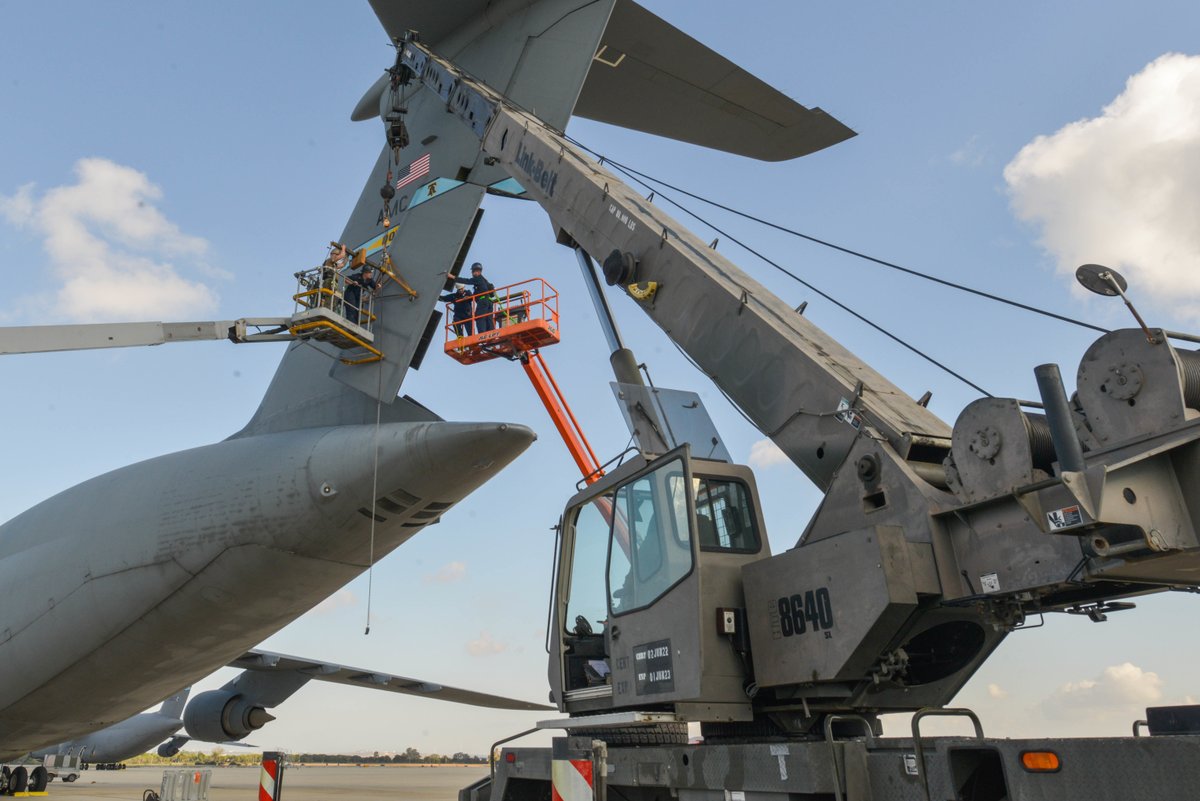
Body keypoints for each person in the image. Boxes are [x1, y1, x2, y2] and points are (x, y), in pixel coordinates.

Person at [463, 262, 495, 333]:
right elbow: (478, 293)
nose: (472, 273)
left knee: (479, 317)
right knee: (488, 318)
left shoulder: (478, 279)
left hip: (483, 301)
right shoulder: (484, 281)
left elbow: (467, 281)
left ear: (475, 271)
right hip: (489, 302)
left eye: (472, 272)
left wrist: (453, 278)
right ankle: (491, 333)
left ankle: (482, 334)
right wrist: (470, 297)